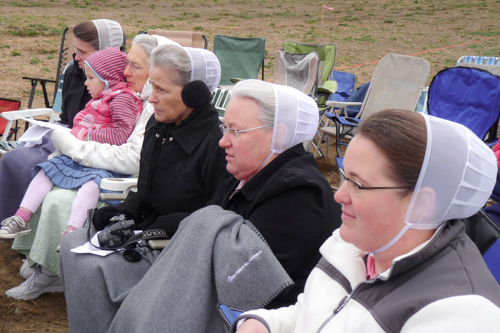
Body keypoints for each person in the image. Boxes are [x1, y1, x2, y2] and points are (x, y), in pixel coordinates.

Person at [59, 79, 342, 332]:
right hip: (197, 285)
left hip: (248, 318)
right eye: (224, 128)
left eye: (235, 131)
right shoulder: (244, 173)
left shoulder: (299, 194)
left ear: (279, 135)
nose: (222, 141)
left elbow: (244, 283)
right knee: (80, 252)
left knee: (135, 300)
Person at [233, 109, 500, 333]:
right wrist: (266, 323)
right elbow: (314, 312)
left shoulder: (460, 314)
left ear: (421, 204)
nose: (339, 195)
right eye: (343, 176)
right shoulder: (357, 240)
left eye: (358, 184)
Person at [6, 34, 180, 300]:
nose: (125, 71)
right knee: (48, 181)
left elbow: (131, 157)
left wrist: (75, 146)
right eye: (127, 63)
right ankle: (43, 263)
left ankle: (58, 269)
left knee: (58, 201)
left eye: (135, 65)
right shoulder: (134, 96)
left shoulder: (149, 104)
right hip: (105, 168)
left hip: (121, 181)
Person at [0, 46, 142, 241]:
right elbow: (81, 121)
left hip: (100, 160)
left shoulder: (122, 99)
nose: (85, 83)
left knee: (92, 186)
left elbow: (121, 133)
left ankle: (73, 232)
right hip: (83, 153)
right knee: (46, 170)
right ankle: (22, 216)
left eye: (91, 78)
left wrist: (83, 135)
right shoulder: (102, 98)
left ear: (109, 78)